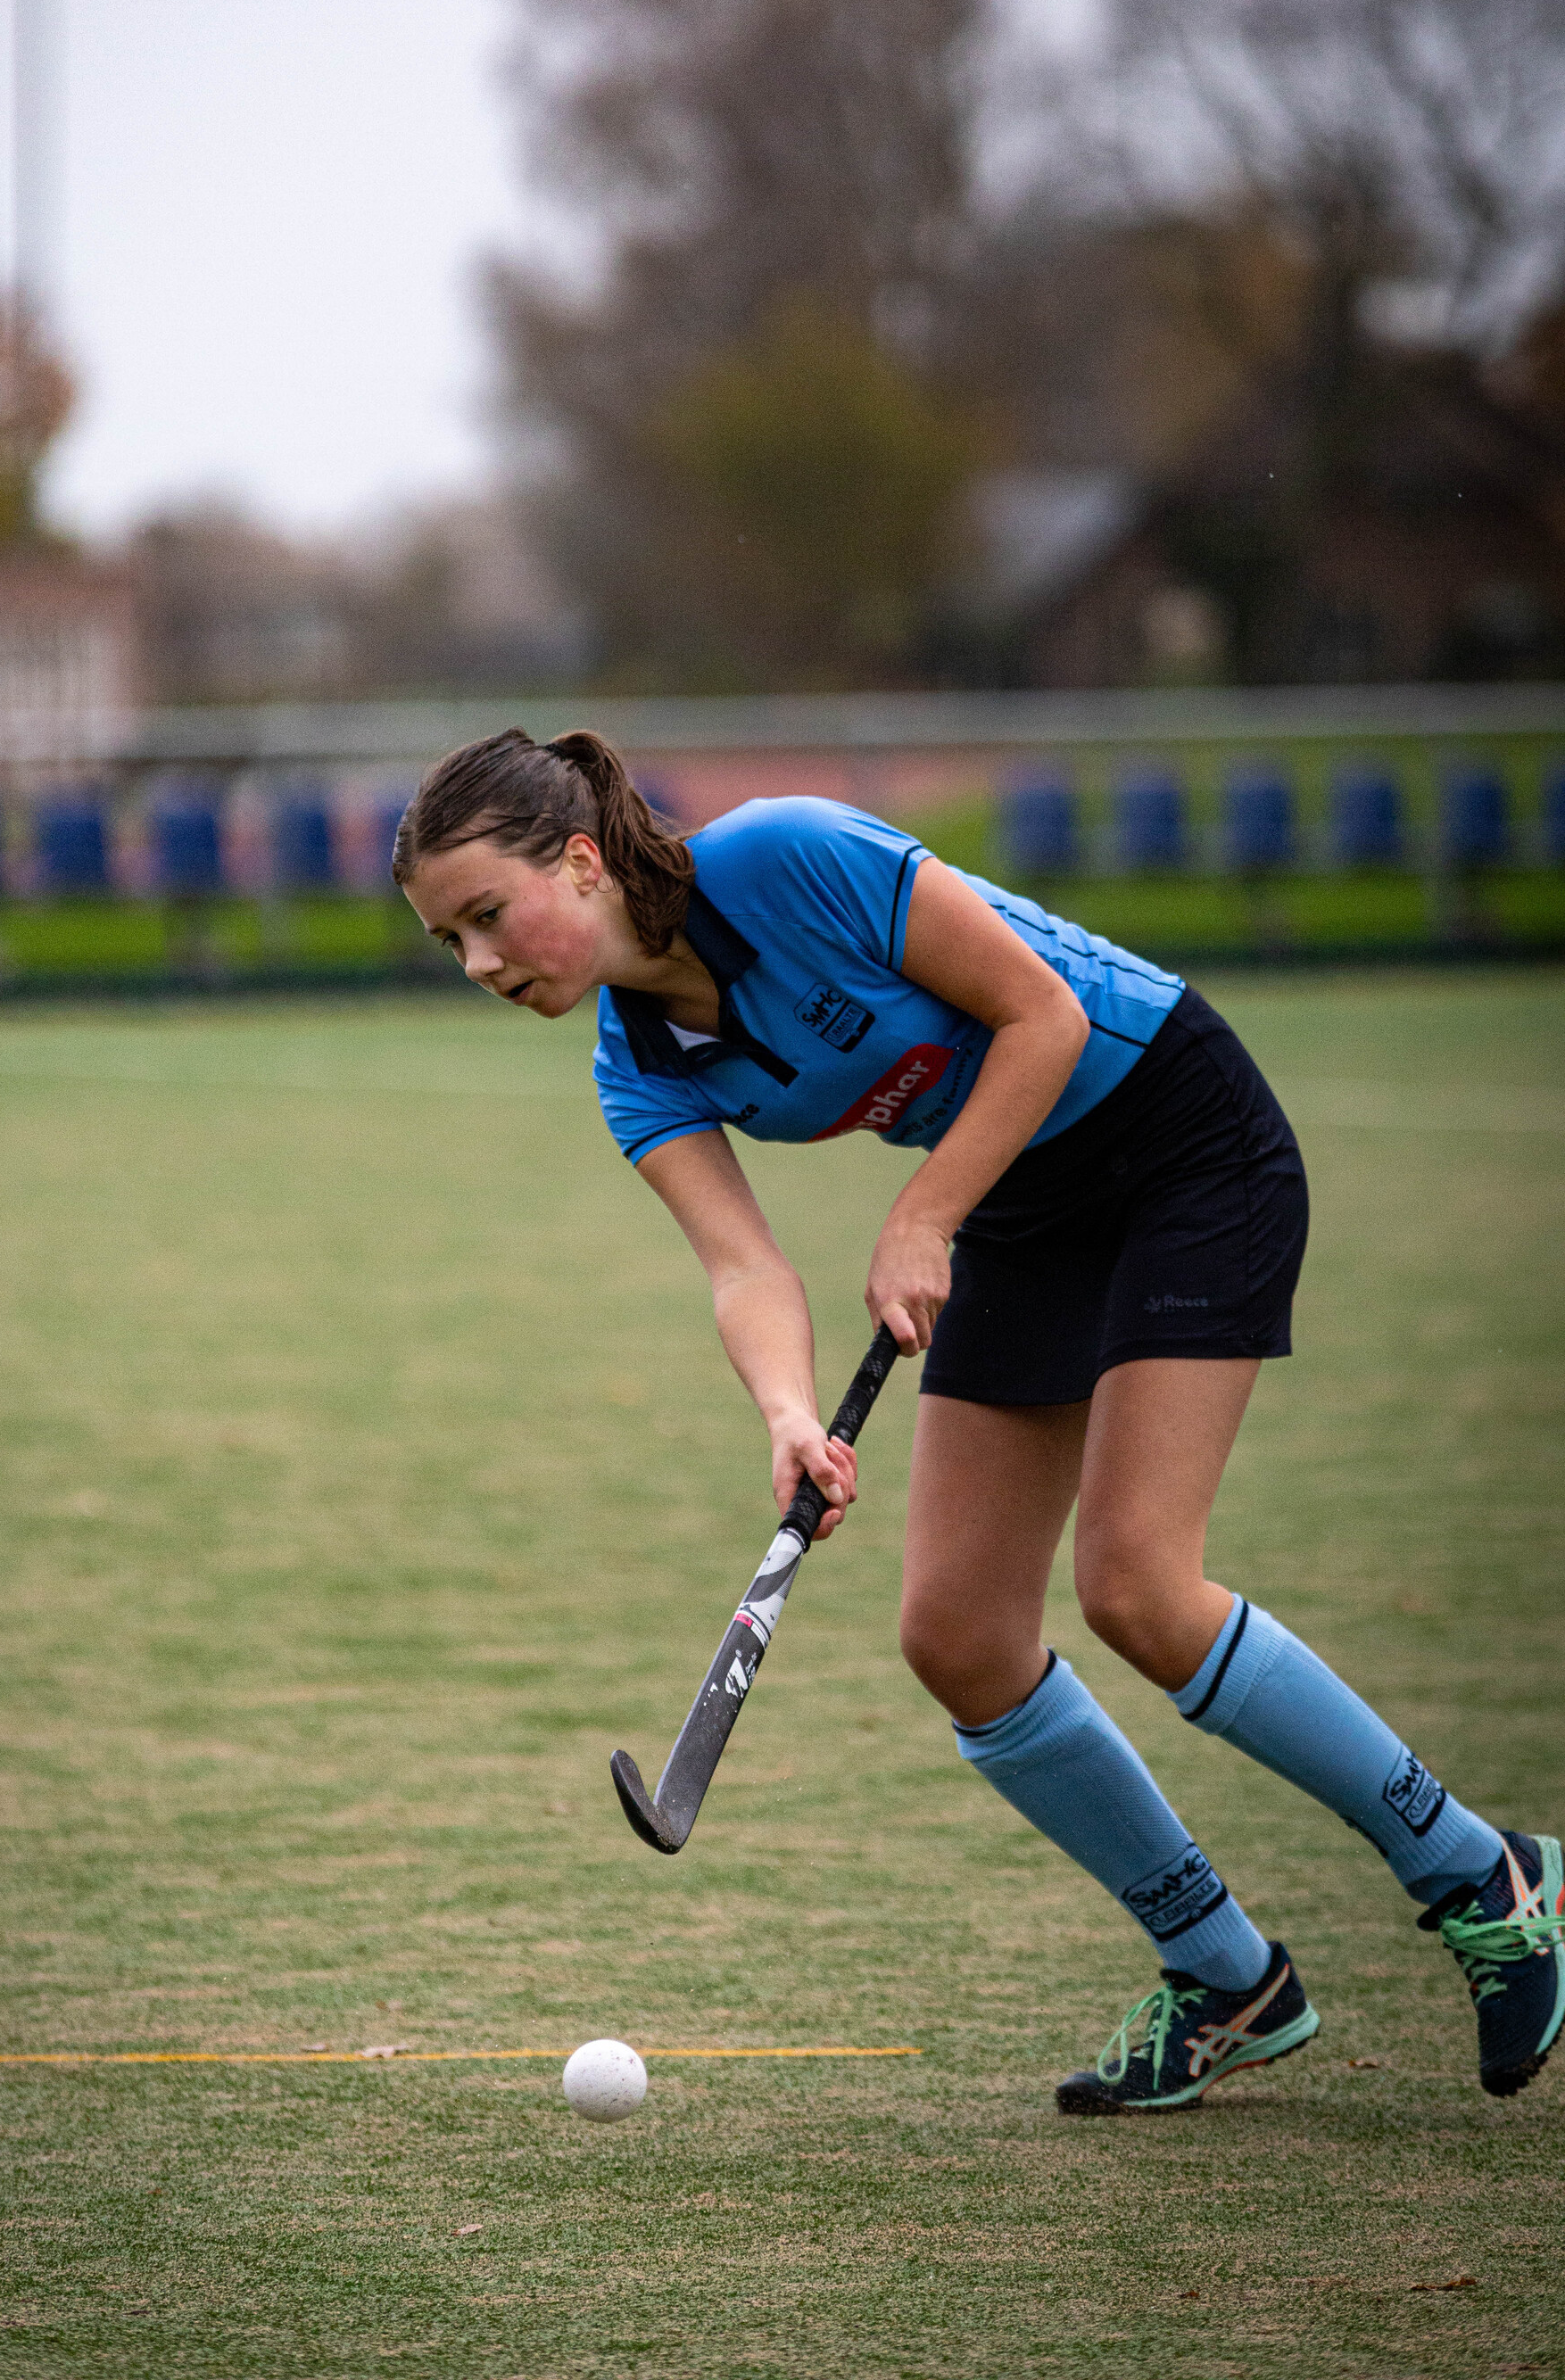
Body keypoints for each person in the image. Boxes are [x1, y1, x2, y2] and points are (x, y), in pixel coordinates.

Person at [393, 726, 1562, 2111]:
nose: (481, 964)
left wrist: (924, 1213)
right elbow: (744, 1266)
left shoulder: (785, 856)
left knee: (1136, 1583)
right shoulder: (635, 1067)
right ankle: (1225, 1973)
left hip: (1177, 1138)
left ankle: (1483, 1873)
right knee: (959, 1634)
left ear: (580, 861)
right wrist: (786, 1418)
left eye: (485, 917)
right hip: (1018, 1201)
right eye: (449, 943)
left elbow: (1044, 1018)